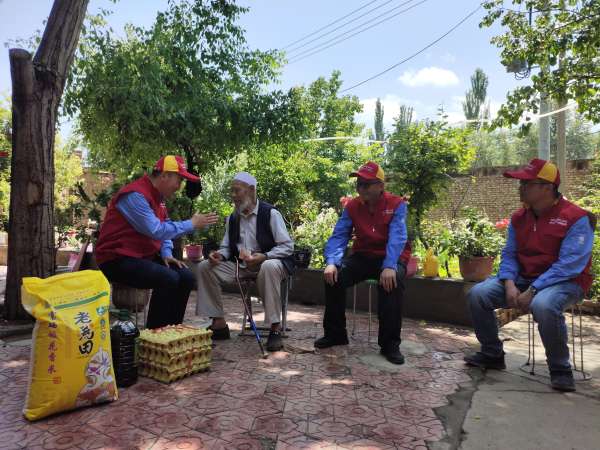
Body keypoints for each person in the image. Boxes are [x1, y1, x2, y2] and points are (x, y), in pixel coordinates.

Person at [464, 158, 595, 392]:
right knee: (478, 294)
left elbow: (570, 265)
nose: (520, 187)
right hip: (523, 279)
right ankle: (492, 354)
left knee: (543, 305)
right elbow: (510, 254)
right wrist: (509, 283)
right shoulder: (519, 218)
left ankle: (560, 369)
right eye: (521, 183)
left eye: (527, 183)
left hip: (566, 282)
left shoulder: (575, 218)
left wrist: (534, 289)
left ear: (547, 187)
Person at [95, 155, 218, 329]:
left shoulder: (158, 198)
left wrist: (166, 253)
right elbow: (155, 230)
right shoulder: (135, 195)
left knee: (186, 277)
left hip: (140, 257)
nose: (179, 186)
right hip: (115, 259)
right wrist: (191, 224)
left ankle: (172, 331)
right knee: (168, 278)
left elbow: (165, 226)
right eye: (179, 180)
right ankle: (154, 335)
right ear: (165, 175)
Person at [314, 161, 411, 365]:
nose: (361, 188)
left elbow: (398, 237)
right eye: (359, 184)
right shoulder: (352, 206)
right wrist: (332, 262)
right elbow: (339, 235)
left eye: (367, 184)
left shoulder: (396, 205)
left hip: (390, 256)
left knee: (392, 282)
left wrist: (389, 265)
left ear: (381, 185)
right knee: (334, 276)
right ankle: (335, 334)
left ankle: (390, 344)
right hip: (363, 255)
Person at [195, 172, 294, 351]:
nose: (233, 196)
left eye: (237, 191)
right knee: (205, 266)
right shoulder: (233, 218)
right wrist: (219, 255)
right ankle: (218, 323)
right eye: (231, 191)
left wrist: (264, 256)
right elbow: (226, 247)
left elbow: (287, 246)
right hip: (241, 266)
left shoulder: (270, 213)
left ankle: (275, 328)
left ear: (251, 190)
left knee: (269, 266)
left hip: (269, 264)